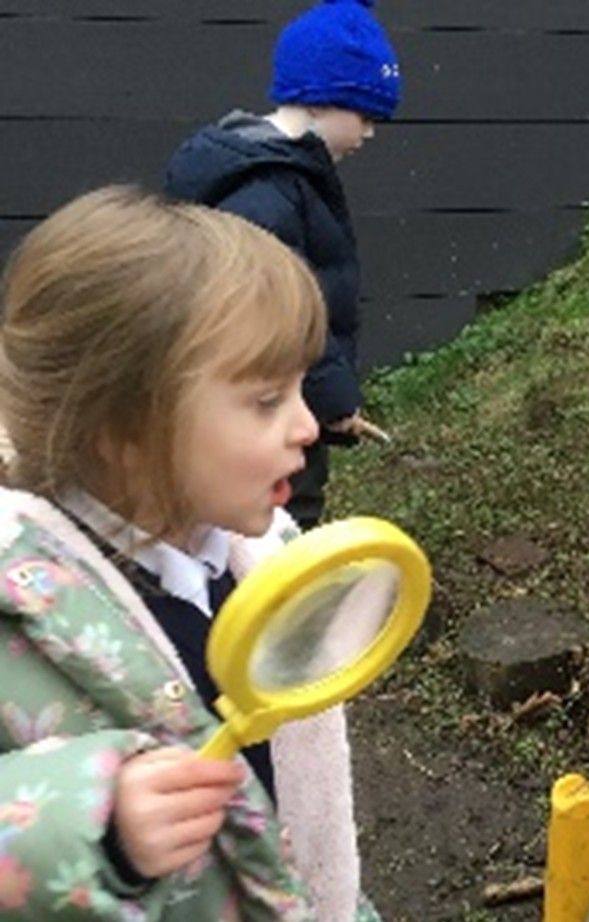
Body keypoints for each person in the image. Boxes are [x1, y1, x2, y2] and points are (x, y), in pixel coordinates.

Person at [0, 185, 398, 922]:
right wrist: (89, 825)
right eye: (265, 400)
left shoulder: (258, 568)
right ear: (124, 429)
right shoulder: (18, 609)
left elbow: (293, 799)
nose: (306, 424)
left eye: (302, 387)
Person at [165, 0, 402, 530]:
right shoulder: (265, 193)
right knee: (282, 521)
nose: (369, 133)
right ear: (320, 101)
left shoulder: (282, 178)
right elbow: (284, 318)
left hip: (282, 400)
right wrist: (333, 400)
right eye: (364, 115)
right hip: (268, 410)